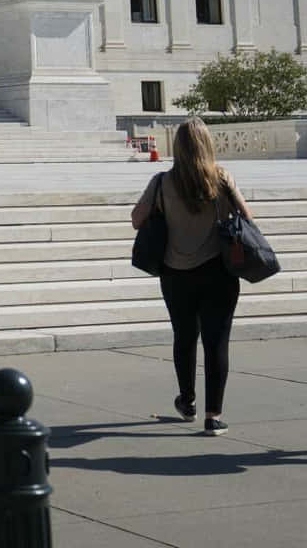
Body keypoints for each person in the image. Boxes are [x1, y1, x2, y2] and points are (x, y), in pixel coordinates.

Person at [130, 118, 249, 435]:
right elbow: (247, 218)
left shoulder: (161, 182)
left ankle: (188, 401)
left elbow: (136, 219)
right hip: (218, 272)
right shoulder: (221, 178)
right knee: (216, 342)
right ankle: (214, 416)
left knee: (184, 337)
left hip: (175, 273)